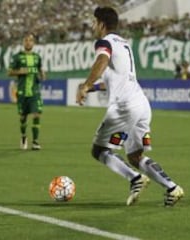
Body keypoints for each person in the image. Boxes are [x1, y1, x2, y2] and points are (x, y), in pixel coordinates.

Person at [76, 7, 184, 207]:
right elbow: (114, 79)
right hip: (141, 104)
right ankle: (172, 187)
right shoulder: (123, 43)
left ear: (101, 24)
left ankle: (135, 179)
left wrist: (86, 84)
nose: (92, 27)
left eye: (93, 22)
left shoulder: (104, 42)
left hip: (125, 107)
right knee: (135, 156)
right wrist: (92, 88)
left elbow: (101, 60)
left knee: (99, 150)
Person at [8, 33, 46, 150]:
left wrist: (43, 75)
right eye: (26, 40)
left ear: (33, 43)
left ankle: (35, 141)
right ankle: (24, 136)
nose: (28, 42)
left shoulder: (37, 57)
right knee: (23, 117)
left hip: (35, 92)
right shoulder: (17, 57)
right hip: (22, 92)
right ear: (23, 42)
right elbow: (9, 72)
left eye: (30, 40)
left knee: (37, 114)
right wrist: (20, 72)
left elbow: (40, 70)